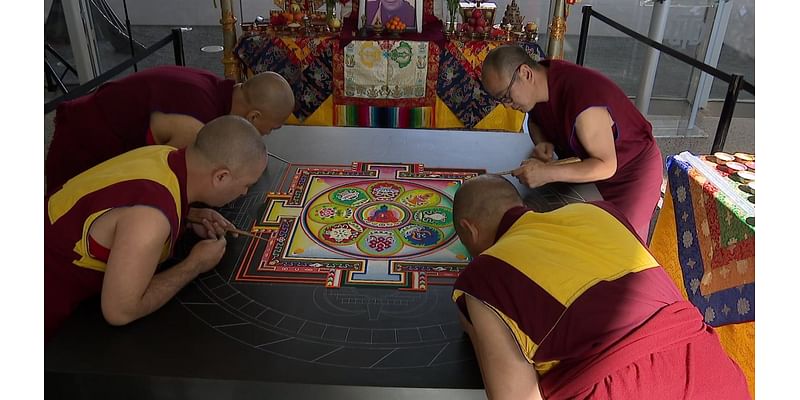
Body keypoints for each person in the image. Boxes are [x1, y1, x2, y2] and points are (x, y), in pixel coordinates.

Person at [450, 174, 750, 400]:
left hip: (622, 389)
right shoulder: (600, 212)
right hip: (713, 373)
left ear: (469, 229)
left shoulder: (487, 274)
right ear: (522, 205)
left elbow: (514, 396)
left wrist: (475, 324)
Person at [45, 115, 268, 341]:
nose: (244, 193)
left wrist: (189, 215)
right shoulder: (151, 218)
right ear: (221, 177)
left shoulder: (163, 154)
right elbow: (120, 311)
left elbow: (127, 199)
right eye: (246, 185)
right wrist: (195, 264)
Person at [481, 45, 663, 241]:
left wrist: (546, 173)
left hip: (630, 175)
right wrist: (543, 142)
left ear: (525, 73)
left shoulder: (583, 100)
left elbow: (606, 165)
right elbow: (534, 120)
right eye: (500, 100)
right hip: (590, 170)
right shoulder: (540, 83)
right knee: (532, 218)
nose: (507, 106)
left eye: (507, 96)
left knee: (614, 251)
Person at [45, 66, 294, 192]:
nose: (266, 135)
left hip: (94, 117)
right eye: (270, 129)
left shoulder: (217, 89)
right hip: (84, 143)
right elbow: (165, 184)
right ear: (254, 116)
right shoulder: (196, 122)